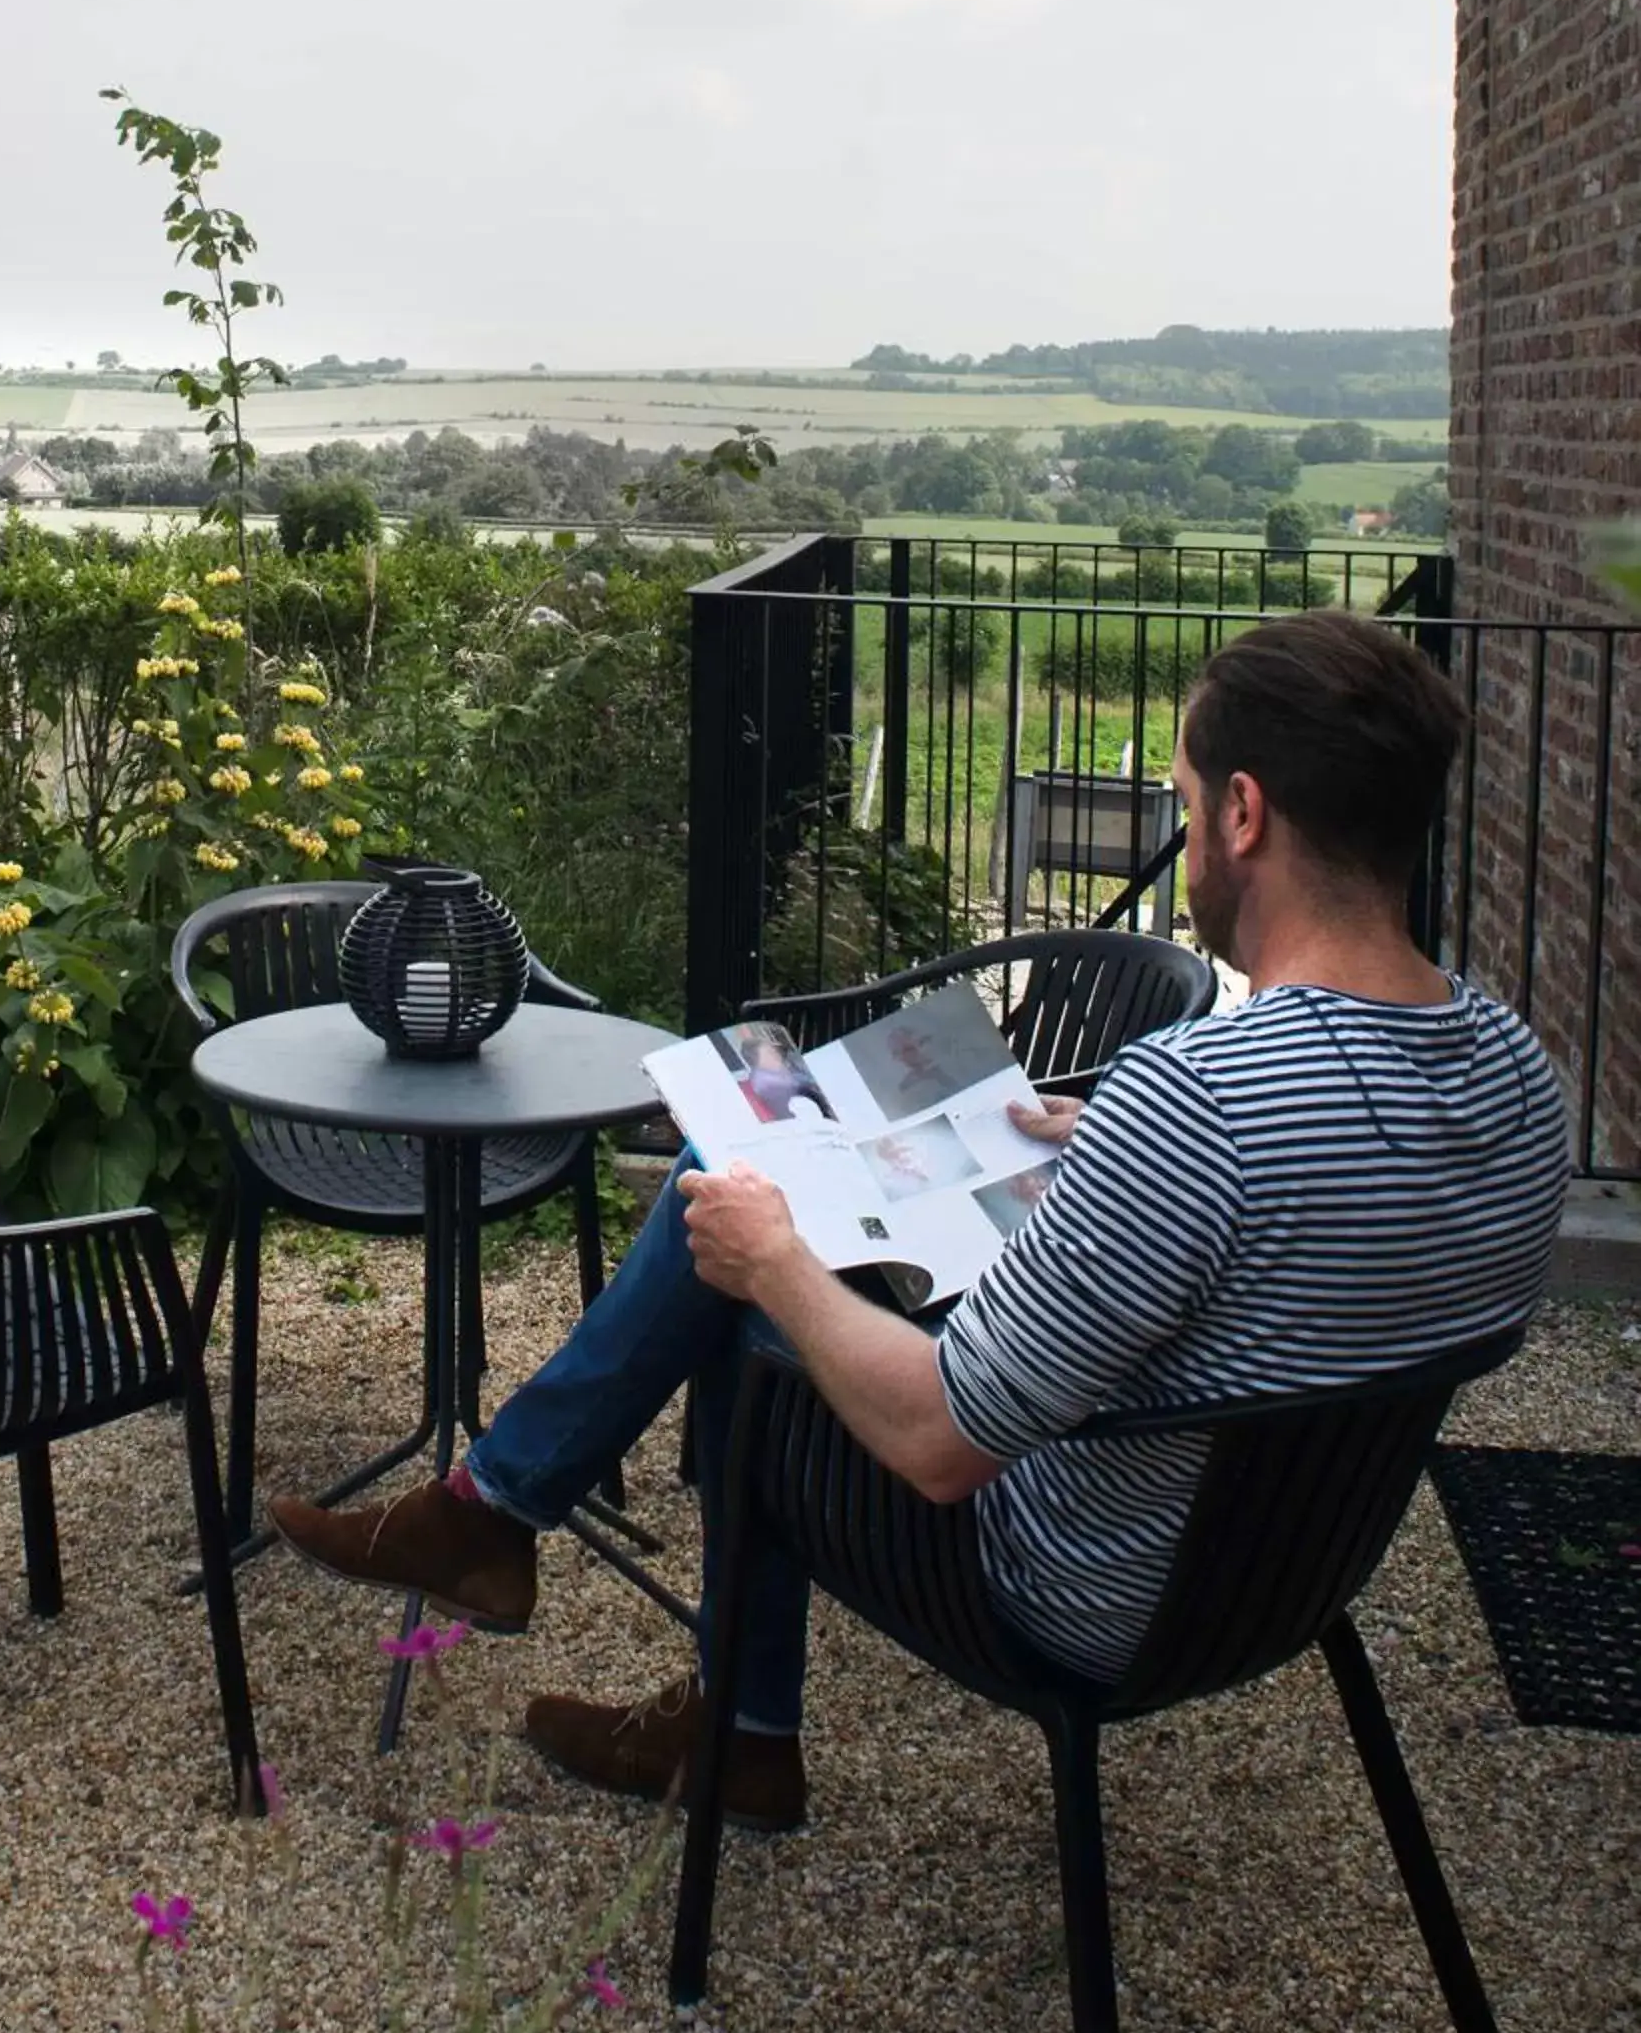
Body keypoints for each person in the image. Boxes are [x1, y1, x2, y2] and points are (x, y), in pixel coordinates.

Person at [271, 611, 1571, 1831]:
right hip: (1282, 1575)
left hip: (1079, 1592)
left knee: (736, 1261)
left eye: (1180, 804)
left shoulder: (1199, 1108)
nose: (1183, 843)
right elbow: (1306, 1224)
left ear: (1243, 814)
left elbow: (942, 1445)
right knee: (749, 1209)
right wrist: (1104, 1133)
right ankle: (530, 1540)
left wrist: (778, 1263)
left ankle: (652, 1651)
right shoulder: (1518, 1074)